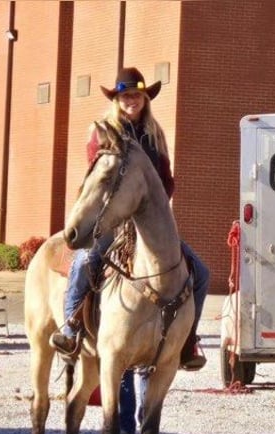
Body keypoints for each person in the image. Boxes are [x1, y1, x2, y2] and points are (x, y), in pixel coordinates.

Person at [50, 67, 209, 374]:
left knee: (200, 273)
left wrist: (157, 204)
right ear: (117, 99)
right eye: (126, 96)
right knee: (86, 260)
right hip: (114, 219)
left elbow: (166, 179)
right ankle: (70, 327)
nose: (132, 101)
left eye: (137, 95)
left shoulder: (154, 133)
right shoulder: (105, 132)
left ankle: (187, 341)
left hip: (150, 224)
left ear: (145, 98)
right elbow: (98, 180)